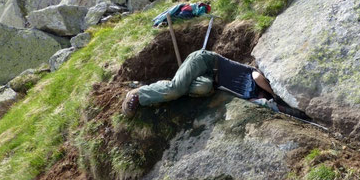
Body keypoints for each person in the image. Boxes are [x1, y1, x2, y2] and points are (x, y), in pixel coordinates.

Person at [122, 50, 307, 119]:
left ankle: (164, 87)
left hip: (209, 79)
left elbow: (261, 104)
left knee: (201, 89)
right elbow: (259, 78)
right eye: (263, 96)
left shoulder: (250, 96)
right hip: (205, 61)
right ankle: (138, 94)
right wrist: (273, 94)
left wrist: (272, 105)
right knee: (177, 89)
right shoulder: (254, 76)